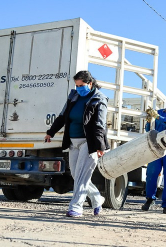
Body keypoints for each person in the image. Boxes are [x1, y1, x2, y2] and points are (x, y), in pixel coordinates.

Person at [44, 70, 109, 217]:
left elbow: (100, 124)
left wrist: (100, 146)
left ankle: (76, 207)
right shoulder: (74, 96)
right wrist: (51, 132)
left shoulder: (99, 99)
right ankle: (97, 198)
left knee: (81, 175)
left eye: (81, 85)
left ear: (90, 84)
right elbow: (62, 116)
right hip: (73, 141)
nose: (79, 88)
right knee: (76, 174)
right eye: (76, 85)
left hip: (90, 142)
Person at [141, 94, 166, 214]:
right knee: (152, 173)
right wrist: (149, 121)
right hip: (157, 148)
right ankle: (149, 199)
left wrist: (158, 117)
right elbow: (149, 130)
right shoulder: (158, 113)